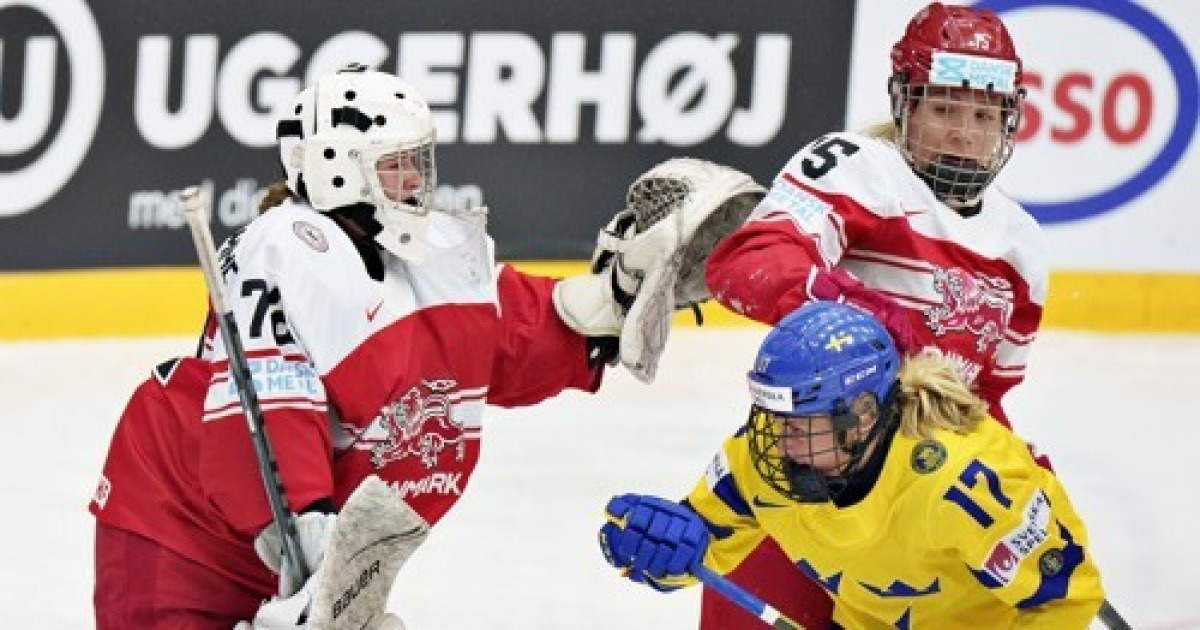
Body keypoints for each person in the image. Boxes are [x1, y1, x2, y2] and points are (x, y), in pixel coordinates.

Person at [88, 64, 759, 629]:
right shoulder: (285, 250)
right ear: (335, 167)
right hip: (182, 531)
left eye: (419, 161)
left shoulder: (435, 250)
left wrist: (610, 300)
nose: (417, 180)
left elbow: (504, 335)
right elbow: (267, 404)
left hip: (321, 548)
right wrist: (317, 565)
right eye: (396, 166)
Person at [701, 3, 1049, 627]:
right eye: (943, 108)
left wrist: (1013, 465)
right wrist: (857, 310)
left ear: (1008, 117)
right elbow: (747, 262)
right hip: (802, 470)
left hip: (916, 508)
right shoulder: (861, 169)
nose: (964, 133)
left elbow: (985, 397)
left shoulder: (1020, 246)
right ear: (905, 105)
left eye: (982, 113)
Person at [598, 301, 1104, 629]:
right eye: (773, 417)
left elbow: (1066, 600)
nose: (777, 442)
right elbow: (698, 552)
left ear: (861, 415)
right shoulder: (761, 458)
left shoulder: (963, 481)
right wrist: (656, 551)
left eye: (800, 423)